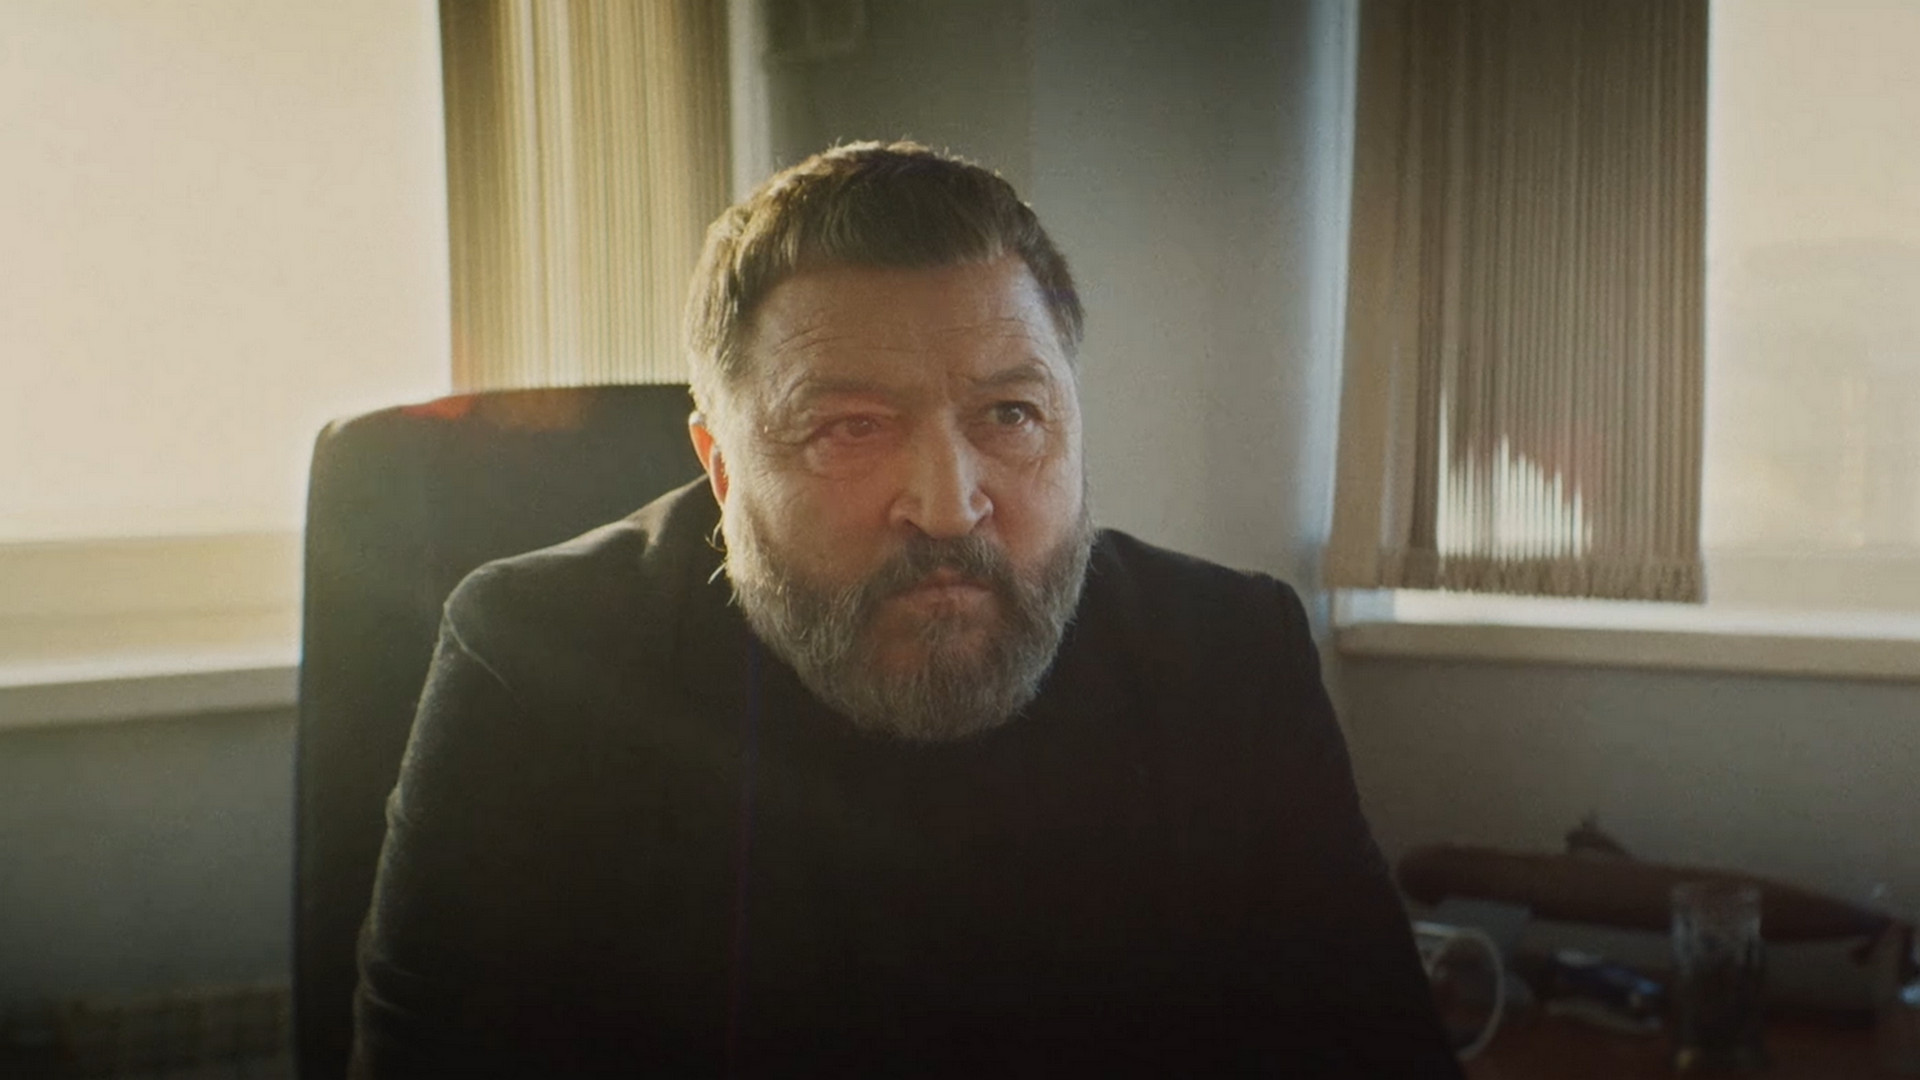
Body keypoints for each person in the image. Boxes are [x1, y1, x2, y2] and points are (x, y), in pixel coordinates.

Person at [350, 142, 1461, 1077]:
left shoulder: (1225, 661)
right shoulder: (542, 667)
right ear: (722, 468)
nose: (947, 505)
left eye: (1010, 414)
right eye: (851, 428)